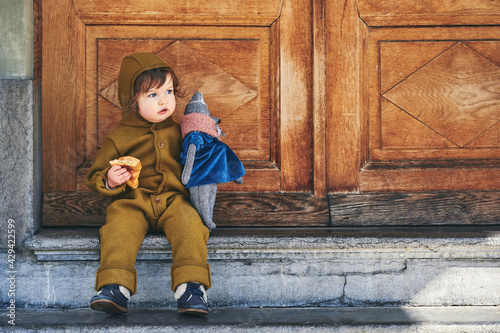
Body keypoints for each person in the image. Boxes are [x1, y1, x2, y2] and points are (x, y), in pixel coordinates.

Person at [85, 52, 211, 316]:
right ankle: (114, 287)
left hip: (174, 201)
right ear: (132, 102)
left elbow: (198, 159)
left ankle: (191, 288)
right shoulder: (119, 137)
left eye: (168, 91)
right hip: (132, 202)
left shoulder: (180, 131)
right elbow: (96, 174)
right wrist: (109, 181)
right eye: (152, 95)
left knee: (191, 226)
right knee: (118, 229)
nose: (164, 100)